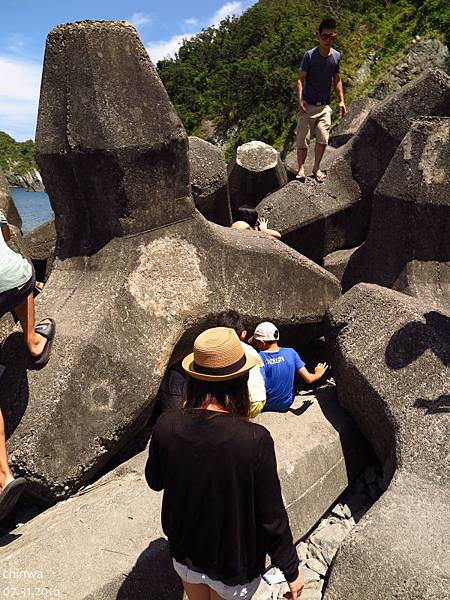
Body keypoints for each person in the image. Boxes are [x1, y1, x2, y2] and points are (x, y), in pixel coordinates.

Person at [145, 327, 304, 600]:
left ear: (193, 378)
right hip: (234, 565)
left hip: (185, 554)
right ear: (240, 379)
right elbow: (271, 517)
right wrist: (291, 570)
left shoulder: (166, 424)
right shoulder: (255, 440)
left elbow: (154, 480)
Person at [0, 209, 56, 520]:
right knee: (20, 277)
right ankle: (33, 341)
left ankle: (3, 476)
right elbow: (6, 237)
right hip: (18, 282)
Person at [296, 17, 347, 183]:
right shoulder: (309, 56)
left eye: (331, 37)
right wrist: (300, 99)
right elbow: (300, 79)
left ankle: (316, 168)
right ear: (318, 36)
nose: (327, 40)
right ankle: (301, 168)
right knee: (303, 139)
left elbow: (337, 79)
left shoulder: (336, 56)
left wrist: (341, 101)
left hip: (324, 106)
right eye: (324, 36)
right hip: (308, 105)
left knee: (323, 137)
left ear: (334, 37)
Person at [250, 322, 327, 413]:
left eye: (256, 342)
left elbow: (258, 384)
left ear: (262, 343)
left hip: (266, 405)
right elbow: (309, 379)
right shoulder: (291, 352)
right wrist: (318, 373)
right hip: (286, 404)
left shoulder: (260, 357)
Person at [216, 310, 266, 416]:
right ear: (243, 334)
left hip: (241, 402)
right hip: (259, 400)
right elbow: (262, 372)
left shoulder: (220, 350)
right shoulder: (251, 350)